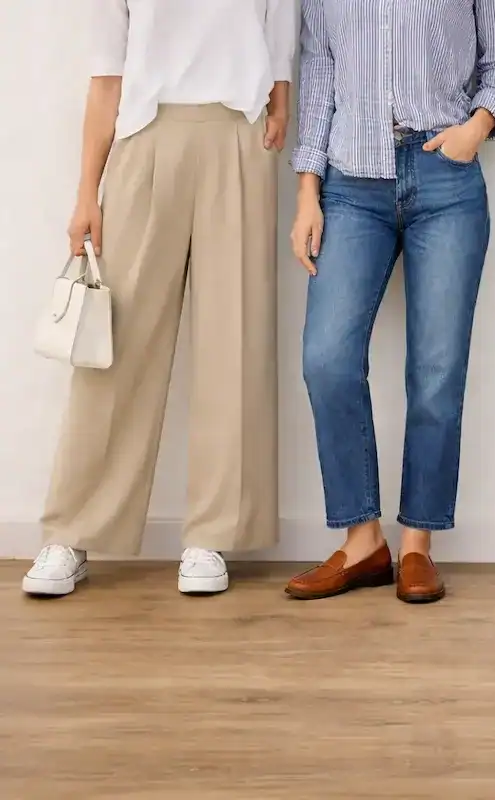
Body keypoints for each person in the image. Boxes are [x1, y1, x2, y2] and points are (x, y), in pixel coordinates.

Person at [23, 0, 295, 598]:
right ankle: (73, 530)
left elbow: (281, 35)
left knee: (235, 340)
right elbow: (106, 75)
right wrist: (86, 195)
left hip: (238, 137)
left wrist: (281, 97)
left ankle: (212, 534)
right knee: (117, 348)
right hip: (144, 139)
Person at [283, 0, 495, 604]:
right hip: (350, 184)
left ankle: (418, 544)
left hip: (445, 177)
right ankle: (363, 541)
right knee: (326, 358)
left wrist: (475, 130)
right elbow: (317, 73)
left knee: (436, 372)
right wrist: (308, 192)